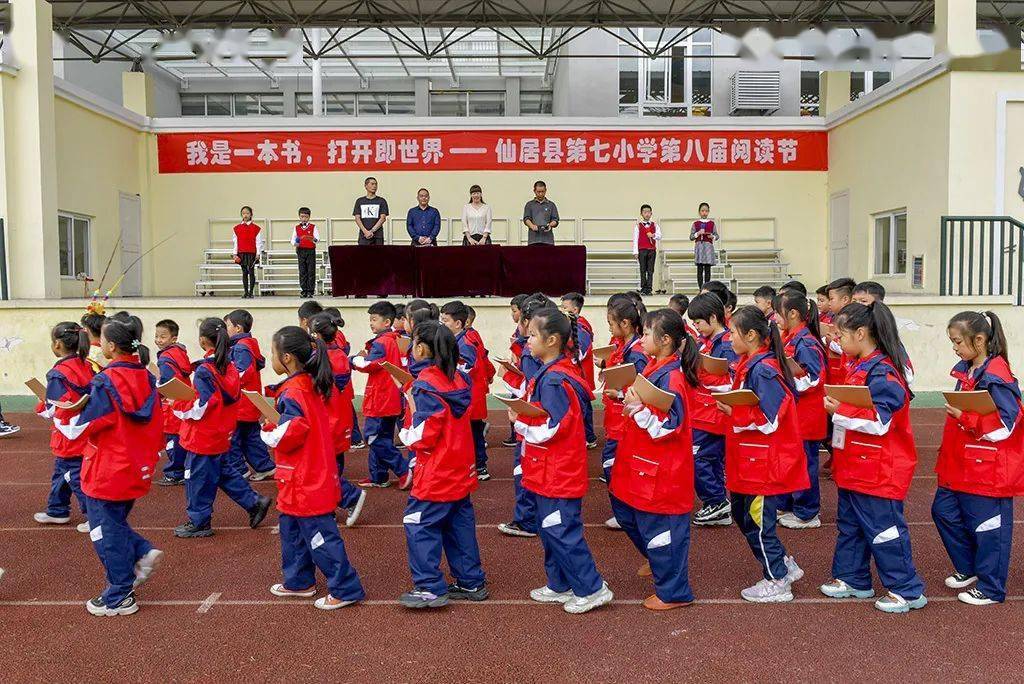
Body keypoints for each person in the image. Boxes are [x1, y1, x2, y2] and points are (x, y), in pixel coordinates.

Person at [51, 317, 164, 616]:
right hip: (135, 464)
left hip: (107, 468)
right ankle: (139, 553)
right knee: (113, 523)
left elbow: (80, 428)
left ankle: (119, 593)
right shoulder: (146, 377)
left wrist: (58, 414)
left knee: (105, 531)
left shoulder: (105, 381)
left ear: (112, 346)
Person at [820, 302, 927, 613]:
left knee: (885, 529)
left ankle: (906, 588)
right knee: (851, 524)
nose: (837, 340)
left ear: (861, 333)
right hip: (855, 465)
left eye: (841, 334)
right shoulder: (860, 366)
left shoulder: (884, 373)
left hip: (879, 468)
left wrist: (839, 410)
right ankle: (853, 577)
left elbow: (881, 421)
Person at [514, 305, 613, 614]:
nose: (527, 340)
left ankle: (591, 587)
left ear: (553, 339)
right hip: (546, 469)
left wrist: (519, 422)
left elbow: (553, 426)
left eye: (532, 335)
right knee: (548, 528)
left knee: (560, 528)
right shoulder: (551, 373)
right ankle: (560, 583)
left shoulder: (556, 379)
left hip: (558, 470)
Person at [260, 325, 366, 611]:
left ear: (287, 359)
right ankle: (298, 581)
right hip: (301, 473)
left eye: (272, 353)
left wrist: (269, 433)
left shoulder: (295, 391)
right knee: (291, 529)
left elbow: (294, 429)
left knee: (321, 535)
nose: (270, 358)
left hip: (306, 476)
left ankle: (345, 587)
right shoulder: (306, 384)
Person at [716, 305, 807, 603]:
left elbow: (771, 418)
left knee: (757, 521)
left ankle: (777, 579)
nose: (728, 339)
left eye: (732, 333)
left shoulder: (764, 370)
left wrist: (735, 411)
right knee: (744, 518)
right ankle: (782, 563)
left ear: (751, 335)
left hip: (762, 463)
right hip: (749, 459)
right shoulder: (750, 364)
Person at [610, 309, 699, 611]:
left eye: (647, 333)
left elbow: (670, 426)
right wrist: (627, 401)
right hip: (640, 460)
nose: (642, 338)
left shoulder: (671, 377)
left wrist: (637, 410)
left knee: (662, 528)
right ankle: (656, 558)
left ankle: (674, 591)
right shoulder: (653, 367)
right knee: (627, 514)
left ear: (664, 340)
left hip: (663, 467)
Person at [397, 320, 489, 608]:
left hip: (436, 471)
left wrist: (405, 433)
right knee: (458, 525)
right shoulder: (460, 379)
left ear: (421, 348)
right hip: (460, 467)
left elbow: (425, 435)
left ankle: (428, 587)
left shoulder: (426, 385)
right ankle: (470, 581)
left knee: (419, 524)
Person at [934, 311, 1022, 606]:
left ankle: (991, 587)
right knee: (943, 511)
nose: (955, 348)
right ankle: (970, 568)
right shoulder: (968, 370)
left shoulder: (997, 375)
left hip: (989, 467)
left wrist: (967, 418)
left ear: (980, 340)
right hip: (961, 463)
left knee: (989, 527)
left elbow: (1007, 425)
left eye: (958, 342)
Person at [171, 318, 272, 538]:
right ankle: (254, 502)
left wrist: (177, 406)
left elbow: (202, 405)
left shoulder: (205, 370)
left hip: (203, 435)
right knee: (224, 473)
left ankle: (199, 520)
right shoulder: (230, 366)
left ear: (202, 341)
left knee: (196, 479)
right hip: (221, 430)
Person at [497, 294, 551, 538]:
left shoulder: (531, 354)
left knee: (525, 469)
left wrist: (509, 377)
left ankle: (527, 520)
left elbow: (531, 388)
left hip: (533, 422)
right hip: (538, 420)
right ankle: (535, 517)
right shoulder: (546, 353)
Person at [33, 322, 95, 532]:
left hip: (68, 434)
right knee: (61, 474)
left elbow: (56, 407)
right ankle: (57, 509)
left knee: (74, 476)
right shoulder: (85, 365)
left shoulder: (58, 373)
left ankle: (94, 516)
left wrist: (42, 406)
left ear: (58, 344)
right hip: (84, 427)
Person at [773, 291, 827, 530]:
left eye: (778, 312)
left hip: (806, 415)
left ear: (793, 313)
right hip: (794, 413)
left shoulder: (805, 341)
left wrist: (786, 381)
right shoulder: (790, 337)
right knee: (791, 461)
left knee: (805, 463)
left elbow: (814, 378)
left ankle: (807, 512)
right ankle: (788, 503)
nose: (775, 318)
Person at [308, 312, 367, 528]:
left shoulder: (319, 360)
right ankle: (328, 507)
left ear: (315, 334)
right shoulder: (341, 356)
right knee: (334, 466)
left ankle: (350, 497)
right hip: (340, 421)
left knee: (323, 470)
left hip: (326, 423)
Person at [600, 294, 651, 530]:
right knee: (617, 465)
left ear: (626, 324)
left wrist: (619, 394)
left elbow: (640, 388)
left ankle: (626, 514)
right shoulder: (624, 347)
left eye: (611, 323)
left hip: (627, 421)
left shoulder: (637, 352)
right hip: (618, 418)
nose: (609, 327)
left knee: (613, 465)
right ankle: (627, 512)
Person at [687, 293, 737, 526]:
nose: (695, 327)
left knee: (699, 458)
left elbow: (734, 381)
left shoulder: (726, 345)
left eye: (698, 322)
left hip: (714, 414)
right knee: (710, 459)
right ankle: (716, 502)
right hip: (703, 412)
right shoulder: (706, 342)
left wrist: (703, 375)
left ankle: (716, 500)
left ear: (713, 317)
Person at [351, 301, 412, 488]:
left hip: (380, 399)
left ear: (386, 322)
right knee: (382, 437)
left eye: (374, 319)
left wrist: (354, 359)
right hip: (390, 397)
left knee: (374, 437)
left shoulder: (382, 343)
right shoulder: (394, 340)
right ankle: (379, 475)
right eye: (370, 319)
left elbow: (369, 365)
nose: (371, 323)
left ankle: (402, 469)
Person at [439, 301, 491, 481]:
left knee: (473, 433)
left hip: (470, 397)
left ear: (458, 324)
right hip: (469, 395)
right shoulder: (459, 339)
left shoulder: (465, 342)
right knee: (471, 431)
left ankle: (481, 466)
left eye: (445, 321)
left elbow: (467, 366)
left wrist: (447, 371)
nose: (442, 324)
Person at [224, 310, 276, 481]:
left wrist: (224, 380)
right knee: (251, 437)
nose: (226, 330)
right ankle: (265, 466)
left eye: (227, 326)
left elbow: (243, 372)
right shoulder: (248, 344)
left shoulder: (240, 347)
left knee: (234, 439)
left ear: (237, 328)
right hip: (248, 401)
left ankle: (239, 469)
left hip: (241, 402)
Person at [153, 319, 192, 487]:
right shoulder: (180, 354)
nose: (158, 340)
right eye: (156, 336)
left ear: (174, 339)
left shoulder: (165, 359)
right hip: (183, 400)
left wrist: (156, 387)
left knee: (172, 441)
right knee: (180, 437)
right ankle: (182, 469)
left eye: (162, 336)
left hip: (171, 404)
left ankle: (175, 473)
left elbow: (166, 383)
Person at [560, 292, 597, 448]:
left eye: (564, 307)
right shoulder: (573, 325)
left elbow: (579, 353)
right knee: (583, 408)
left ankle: (588, 437)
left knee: (583, 408)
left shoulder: (581, 328)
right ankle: (589, 436)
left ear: (574, 310)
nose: (561, 310)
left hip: (580, 376)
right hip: (578, 376)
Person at [232, 205, 264, 299]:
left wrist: (258, 253)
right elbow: (235, 242)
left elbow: (259, 242)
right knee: (244, 272)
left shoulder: (256, 228)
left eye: (247, 213)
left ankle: (251, 292)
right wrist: (235, 253)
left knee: (251, 272)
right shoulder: (237, 228)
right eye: (243, 213)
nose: (245, 215)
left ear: (251, 215)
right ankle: (245, 292)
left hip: (251, 252)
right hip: (241, 252)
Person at [633, 204, 661, 296]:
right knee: (642, 269)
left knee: (650, 270)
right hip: (642, 250)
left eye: (649, 212)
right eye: (645, 212)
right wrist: (635, 251)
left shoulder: (655, 225)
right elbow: (635, 239)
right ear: (641, 214)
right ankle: (643, 287)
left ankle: (649, 288)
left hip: (652, 250)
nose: (647, 214)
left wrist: (653, 235)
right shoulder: (638, 226)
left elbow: (659, 236)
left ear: (651, 213)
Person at [293, 207, 320, 299]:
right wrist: (295, 243)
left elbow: (317, 239)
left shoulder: (313, 227)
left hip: (310, 251)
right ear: (299, 217)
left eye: (306, 217)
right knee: (302, 271)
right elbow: (293, 239)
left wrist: (311, 238)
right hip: (300, 251)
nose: (304, 218)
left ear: (309, 217)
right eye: (302, 216)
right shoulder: (296, 228)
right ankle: (303, 290)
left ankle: (310, 291)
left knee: (311, 271)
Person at [690, 202, 718, 290]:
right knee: (699, 269)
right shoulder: (696, 224)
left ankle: (707, 288)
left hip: (708, 248)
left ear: (708, 212)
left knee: (707, 269)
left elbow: (716, 235)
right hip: (699, 247)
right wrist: (698, 233)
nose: (704, 213)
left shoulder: (712, 223)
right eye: (702, 211)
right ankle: (700, 288)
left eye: (706, 211)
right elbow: (691, 237)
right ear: (699, 212)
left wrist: (712, 236)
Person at [353, 177, 389, 245]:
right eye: (372, 184)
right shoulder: (359, 201)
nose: (374, 186)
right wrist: (365, 232)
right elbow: (357, 218)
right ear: (366, 186)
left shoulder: (381, 201)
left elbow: (383, 218)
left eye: (376, 184)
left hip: (377, 236)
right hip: (364, 236)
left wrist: (372, 231)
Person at [523, 180, 559, 246]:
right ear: (534, 191)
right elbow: (526, 219)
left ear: (546, 190)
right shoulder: (529, 205)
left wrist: (550, 225)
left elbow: (555, 220)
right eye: (538, 192)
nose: (540, 194)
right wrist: (532, 226)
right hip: (533, 240)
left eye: (542, 191)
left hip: (548, 240)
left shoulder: (551, 205)